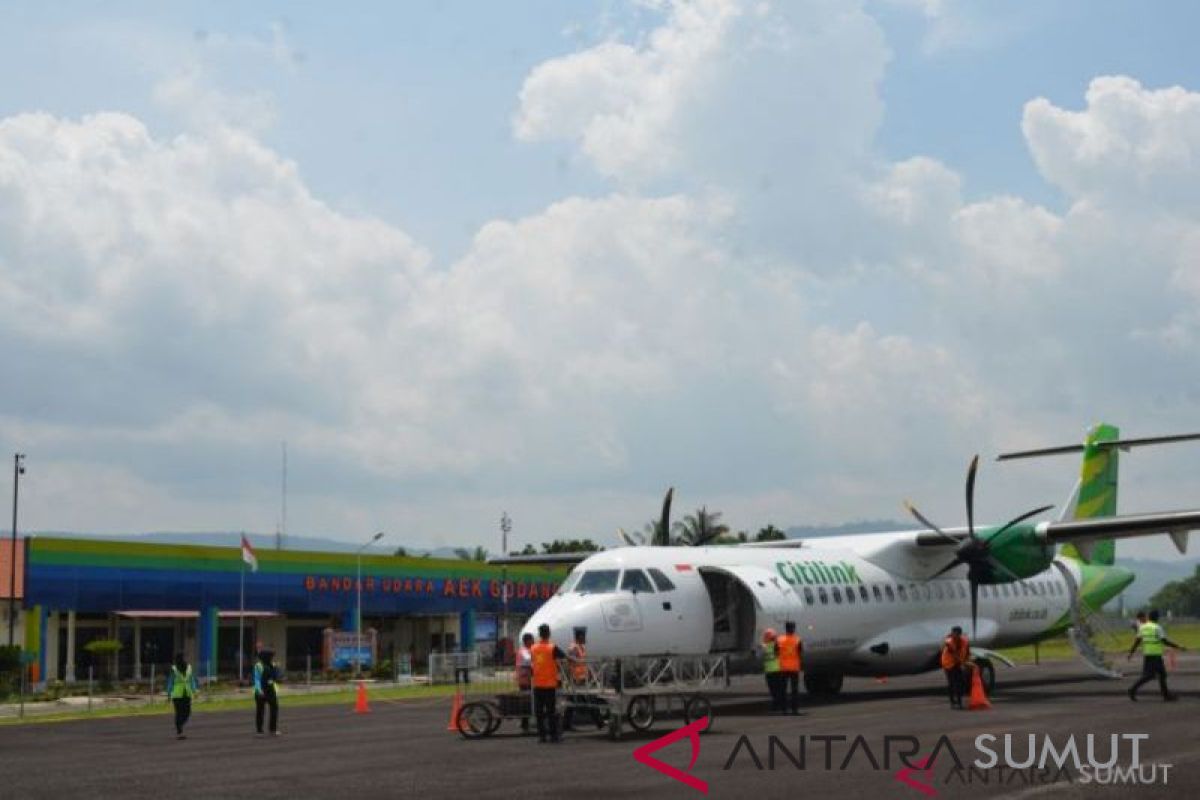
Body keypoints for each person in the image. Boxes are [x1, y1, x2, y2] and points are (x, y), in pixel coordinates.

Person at [1128, 609, 1186, 702]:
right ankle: (1132, 689)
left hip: (1147, 654)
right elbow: (1164, 641)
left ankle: (1166, 696)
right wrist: (1178, 646)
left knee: (1158, 675)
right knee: (1153, 675)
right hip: (1155, 655)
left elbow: (1137, 641)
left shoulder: (1143, 627)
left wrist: (1131, 653)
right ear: (1157, 618)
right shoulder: (1157, 627)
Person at [530, 624, 566, 743]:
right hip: (550, 684)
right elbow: (564, 657)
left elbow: (533, 663)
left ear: (540, 634)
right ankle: (554, 736)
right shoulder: (552, 648)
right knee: (551, 712)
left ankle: (542, 736)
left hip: (537, 684)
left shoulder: (533, 648)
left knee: (539, 712)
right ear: (549, 634)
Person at [166, 652, 198, 739]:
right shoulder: (174, 669)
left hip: (186, 693)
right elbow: (171, 681)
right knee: (179, 713)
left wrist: (194, 691)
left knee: (187, 712)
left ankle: (179, 726)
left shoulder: (189, 668)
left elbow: (191, 680)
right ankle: (179, 731)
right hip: (177, 694)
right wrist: (168, 693)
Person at [776, 621, 803, 715]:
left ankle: (784, 710)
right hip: (794, 668)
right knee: (794, 691)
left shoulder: (779, 639)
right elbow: (800, 653)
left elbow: (776, 652)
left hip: (783, 668)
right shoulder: (797, 640)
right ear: (793, 629)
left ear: (786, 629)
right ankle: (794, 710)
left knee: (783, 690)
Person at [253, 649, 282, 735]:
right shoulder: (258, 666)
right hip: (261, 690)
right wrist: (259, 690)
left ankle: (272, 729)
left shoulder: (273, 665)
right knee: (260, 710)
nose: (272, 658)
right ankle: (259, 730)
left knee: (274, 708)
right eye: (271, 656)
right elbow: (257, 679)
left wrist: (277, 673)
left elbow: (275, 677)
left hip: (271, 689)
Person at [941, 626, 970, 709]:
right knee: (953, 682)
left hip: (957, 663)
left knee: (961, 682)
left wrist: (967, 661)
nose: (955, 635)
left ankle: (958, 701)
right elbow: (954, 654)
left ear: (960, 634)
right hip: (948, 663)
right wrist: (963, 663)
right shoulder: (949, 642)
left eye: (956, 634)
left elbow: (967, 652)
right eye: (953, 633)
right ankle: (954, 702)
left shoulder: (964, 641)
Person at [761, 628, 784, 714]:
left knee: (774, 690)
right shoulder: (778, 646)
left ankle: (777, 705)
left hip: (771, 672)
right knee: (778, 690)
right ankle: (780, 705)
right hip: (777, 671)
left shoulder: (765, 647)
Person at [516, 632, 535, 733]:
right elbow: (528, 661)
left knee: (528, 702)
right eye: (532, 640)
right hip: (525, 680)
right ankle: (524, 724)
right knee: (526, 703)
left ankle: (526, 723)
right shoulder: (523, 651)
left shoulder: (528, 650)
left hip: (528, 680)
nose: (533, 642)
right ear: (527, 641)